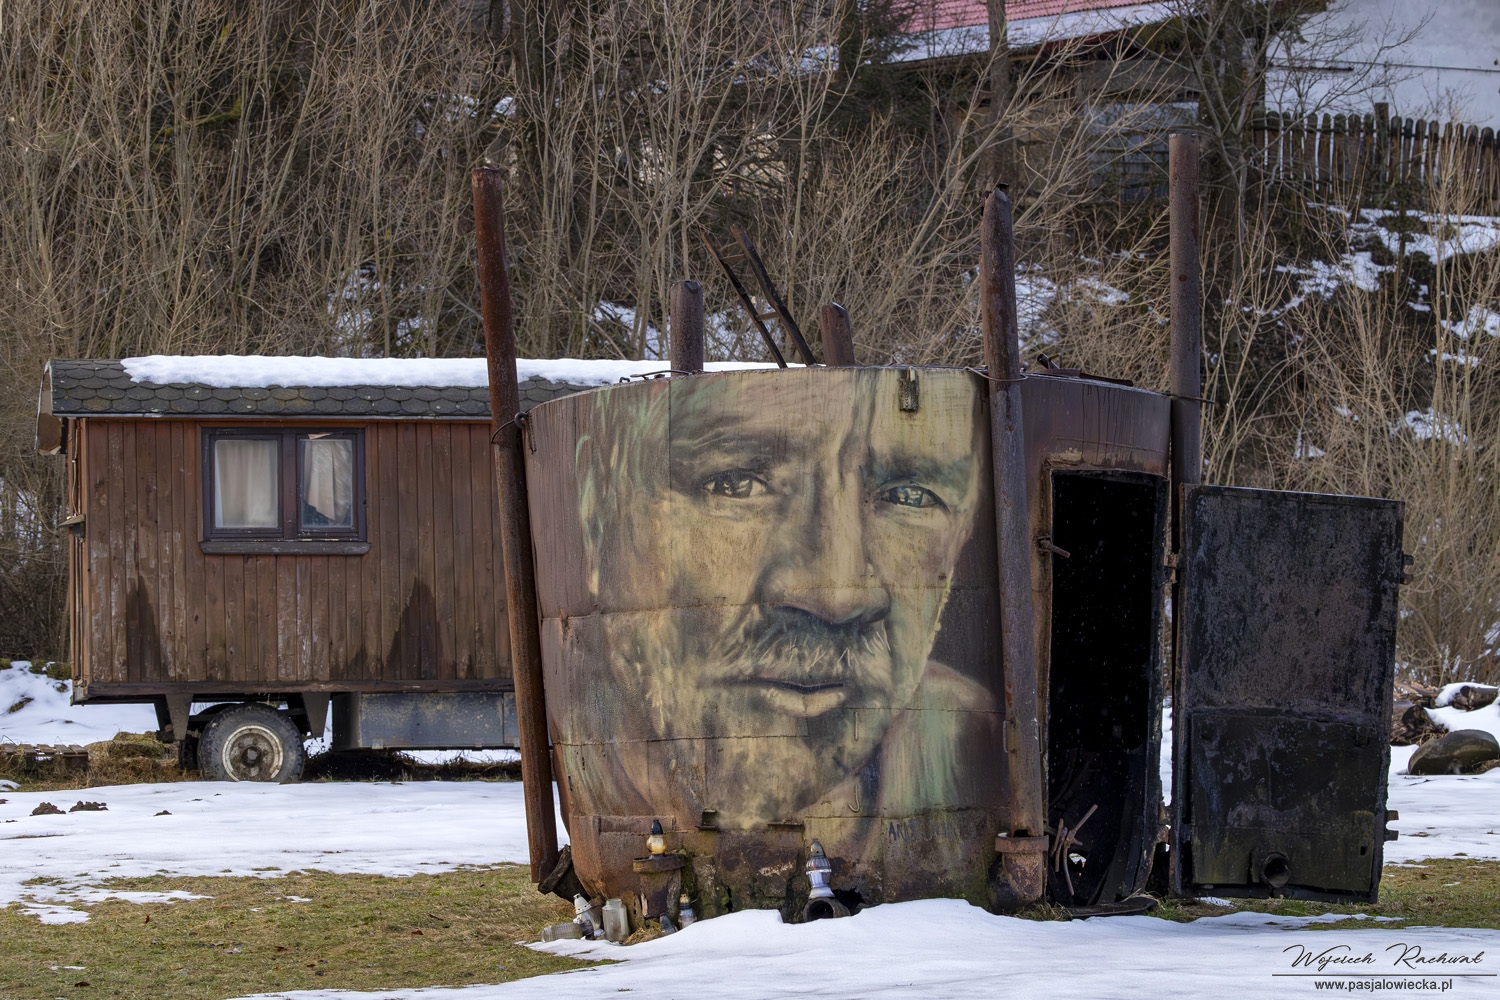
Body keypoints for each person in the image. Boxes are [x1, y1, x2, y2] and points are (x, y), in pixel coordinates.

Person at [547, 366, 1004, 905]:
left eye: (908, 495)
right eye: (736, 484)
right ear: (599, 510)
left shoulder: (973, 743)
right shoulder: (581, 737)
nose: (838, 596)